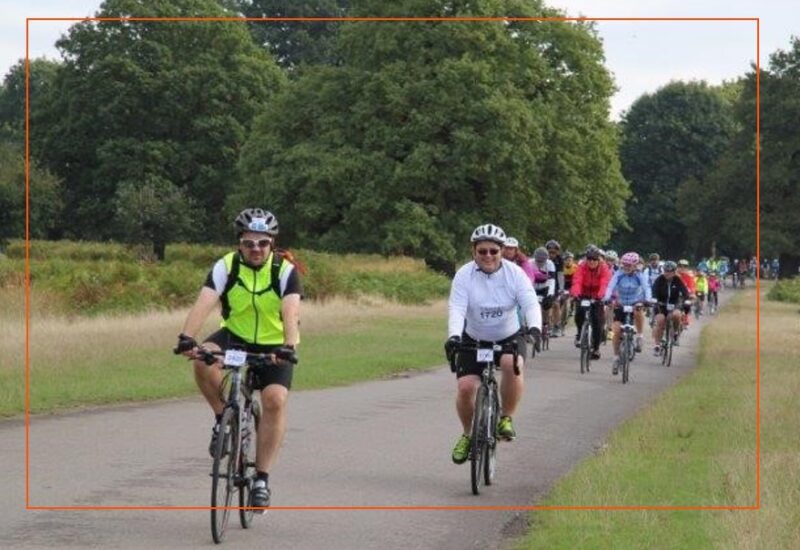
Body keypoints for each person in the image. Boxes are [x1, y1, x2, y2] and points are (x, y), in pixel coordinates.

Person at [175, 208, 302, 511]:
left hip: (274, 343)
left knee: (274, 399)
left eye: (262, 243)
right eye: (248, 243)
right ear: (239, 243)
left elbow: (291, 312)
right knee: (203, 358)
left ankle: (261, 478)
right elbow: (204, 301)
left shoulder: (284, 271)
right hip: (235, 335)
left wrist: (287, 346)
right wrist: (186, 338)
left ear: (273, 243)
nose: (255, 249)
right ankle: (223, 418)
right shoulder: (227, 266)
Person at [445, 224, 542, 464]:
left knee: (511, 364)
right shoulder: (464, 275)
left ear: (502, 251)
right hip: (474, 337)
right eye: (482, 251)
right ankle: (468, 434)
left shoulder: (515, 273)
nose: (488, 256)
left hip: (508, 335)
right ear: (473, 252)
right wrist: (454, 336)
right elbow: (457, 308)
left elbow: (530, 303)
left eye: (493, 251)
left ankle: (506, 418)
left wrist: (535, 328)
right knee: (466, 387)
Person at [602, 252, 651, 375]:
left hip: (636, 302)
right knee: (616, 330)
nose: (626, 267)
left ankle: (639, 336)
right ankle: (616, 357)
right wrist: (607, 298)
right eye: (624, 265)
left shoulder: (639, 275)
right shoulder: (619, 274)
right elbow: (610, 286)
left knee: (638, 312)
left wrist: (647, 300)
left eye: (629, 265)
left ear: (635, 265)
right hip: (621, 303)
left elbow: (646, 288)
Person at [570, 245, 611, 360]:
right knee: (579, 313)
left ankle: (596, 348)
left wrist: (600, 296)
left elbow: (604, 283)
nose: (591, 261)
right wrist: (576, 294)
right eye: (589, 259)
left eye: (594, 259)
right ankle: (579, 333)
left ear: (599, 260)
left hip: (597, 295)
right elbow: (577, 281)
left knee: (598, 322)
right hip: (583, 294)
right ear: (586, 259)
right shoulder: (582, 266)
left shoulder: (604, 268)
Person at [651, 261, 691, 354]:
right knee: (660, 321)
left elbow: (684, 291)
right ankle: (657, 345)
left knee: (676, 315)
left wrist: (687, 299)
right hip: (661, 304)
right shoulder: (659, 279)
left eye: (670, 271)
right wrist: (654, 299)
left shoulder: (677, 279)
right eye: (665, 271)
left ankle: (676, 332)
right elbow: (654, 290)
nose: (667, 273)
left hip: (674, 303)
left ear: (674, 272)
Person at [532, 247, 557, 336]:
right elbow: (526, 279)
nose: (540, 264)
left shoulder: (550, 264)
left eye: (542, 262)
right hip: (533, 287)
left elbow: (552, 281)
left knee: (546, 305)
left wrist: (550, 294)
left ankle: (545, 323)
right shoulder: (530, 263)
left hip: (545, 287)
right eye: (538, 261)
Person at [546, 240, 565, 336]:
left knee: (556, 304)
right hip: (544, 282)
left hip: (555, 284)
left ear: (557, 252)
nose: (551, 254)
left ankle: (556, 326)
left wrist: (561, 288)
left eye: (554, 252)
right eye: (550, 252)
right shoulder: (542, 258)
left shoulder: (560, 260)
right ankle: (543, 324)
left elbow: (560, 275)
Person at [676, 259, 696, 327]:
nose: (682, 268)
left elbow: (692, 286)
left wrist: (692, 293)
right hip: (675, 294)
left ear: (687, 267)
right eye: (680, 266)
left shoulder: (689, 276)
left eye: (685, 266)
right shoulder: (674, 274)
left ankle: (686, 318)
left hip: (686, 294)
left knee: (687, 304)